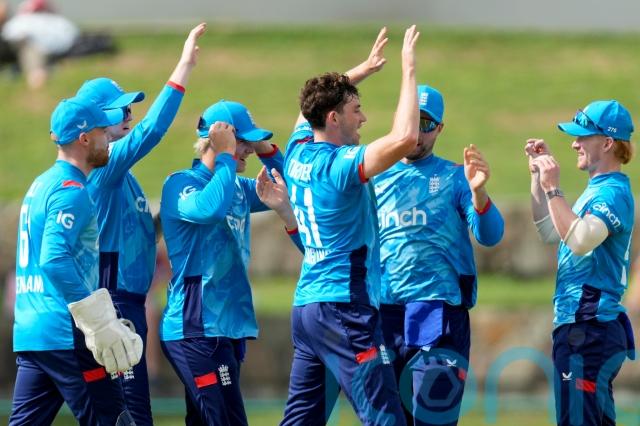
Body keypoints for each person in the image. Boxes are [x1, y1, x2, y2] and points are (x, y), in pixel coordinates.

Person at [280, 26, 420, 426]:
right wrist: (408, 69)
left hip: (308, 308)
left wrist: (361, 71)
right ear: (333, 117)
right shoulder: (338, 166)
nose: (363, 118)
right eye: (356, 109)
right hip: (344, 308)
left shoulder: (296, 153)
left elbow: (307, 109)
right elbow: (406, 137)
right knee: (385, 417)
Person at [71, 23, 206, 426]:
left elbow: (138, 231)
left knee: (126, 414)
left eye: (130, 107)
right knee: (132, 415)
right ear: (94, 122)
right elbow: (153, 130)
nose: (130, 114)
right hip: (114, 303)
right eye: (120, 109)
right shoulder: (105, 165)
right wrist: (184, 66)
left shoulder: (122, 175)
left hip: (127, 302)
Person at [159, 100, 299, 425]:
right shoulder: (181, 184)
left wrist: (264, 148)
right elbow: (210, 209)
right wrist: (224, 156)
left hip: (227, 329)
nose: (247, 149)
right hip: (195, 329)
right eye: (243, 142)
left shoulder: (236, 187)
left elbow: (291, 186)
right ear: (220, 140)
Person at [374, 84, 504, 425]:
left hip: (439, 313)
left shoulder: (455, 177)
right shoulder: (373, 177)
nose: (417, 132)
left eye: (426, 124)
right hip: (385, 314)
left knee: (434, 419)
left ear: (440, 128)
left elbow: (491, 235)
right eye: (410, 121)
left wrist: (479, 193)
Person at [10, 96, 142, 425]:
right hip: (65, 331)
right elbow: (54, 259)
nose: (108, 137)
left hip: (32, 333)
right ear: (84, 138)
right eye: (102, 131)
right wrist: (98, 320)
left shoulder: (41, 183)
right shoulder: (71, 190)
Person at [526, 100, 636, 426]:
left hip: (590, 329)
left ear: (607, 142)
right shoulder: (596, 191)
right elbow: (550, 230)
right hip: (584, 329)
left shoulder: (612, 193)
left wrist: (553, 188)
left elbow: (580, 240)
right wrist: (539, 180)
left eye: (582, 136)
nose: (574, 144)